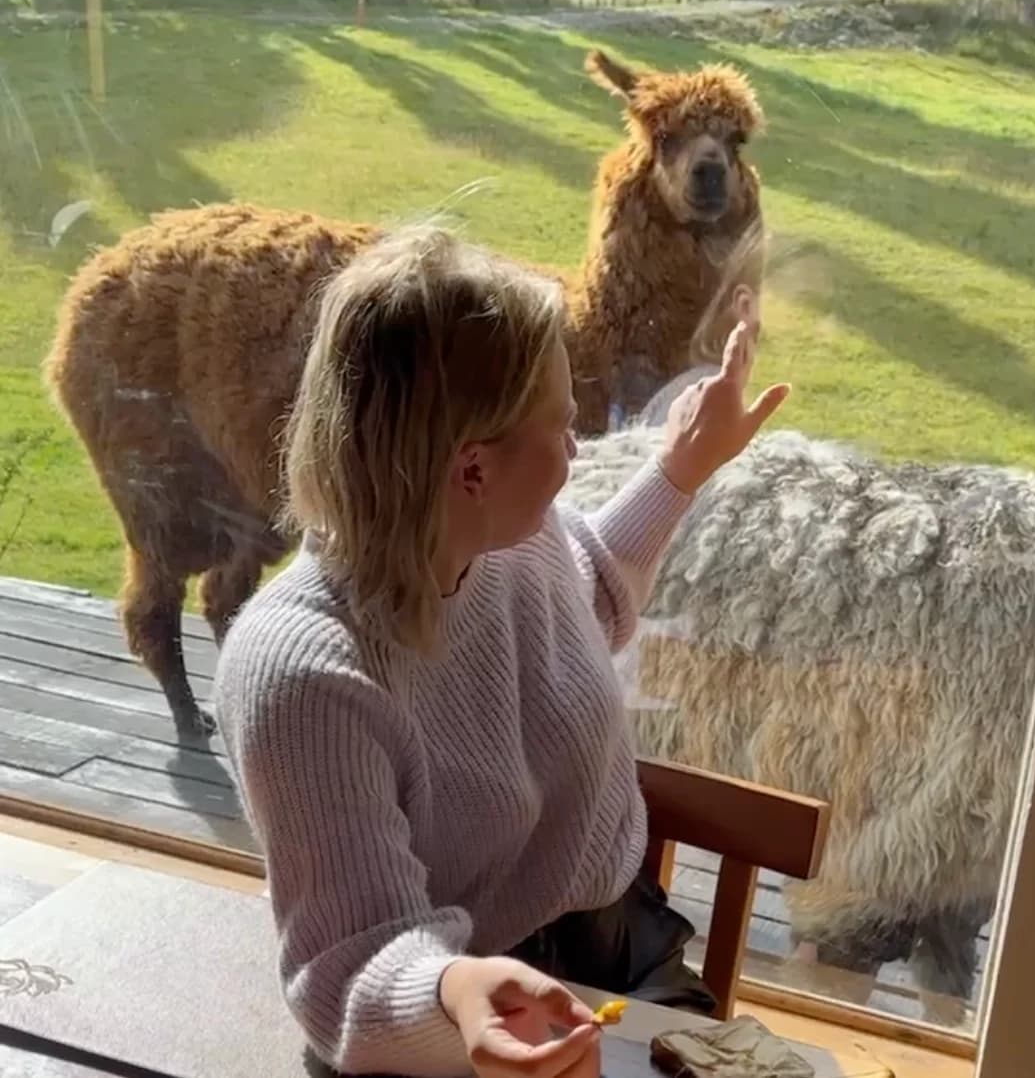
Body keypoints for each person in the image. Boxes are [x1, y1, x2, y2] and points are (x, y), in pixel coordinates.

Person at [213, 223, 789, 1078]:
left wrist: (680, 471)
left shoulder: (507, 542)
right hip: (471, 1021)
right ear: (472, 471)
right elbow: (353, 968)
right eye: (560, 426)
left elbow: (583, 608)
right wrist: (455, 994)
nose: (576, 449)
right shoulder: (306, 677)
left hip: (624, 954)